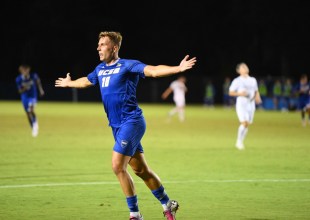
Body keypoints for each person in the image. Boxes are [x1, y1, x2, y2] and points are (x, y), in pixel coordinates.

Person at [55, 31, 196, 220]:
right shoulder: (100, 69)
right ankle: (167, 204)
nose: (98, 48)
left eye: (103, 44)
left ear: (114, 47)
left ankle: (135, 215)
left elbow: (153, 70)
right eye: (98, 45)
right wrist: (70, 83)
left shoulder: (128, 65)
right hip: (117, 126)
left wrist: (177, 69)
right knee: (141, 171)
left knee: (117, 166)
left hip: (132, 121)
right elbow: (87, 81)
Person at [229, 62, 262, 150]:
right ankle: (238, 142)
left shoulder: (253, 80)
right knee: (244, 123)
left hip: (251, 104)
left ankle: (240, 142)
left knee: (247, 124)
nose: (245, 68)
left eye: (245, 66)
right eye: (242, 67)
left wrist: (258, 98)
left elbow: (256, 90)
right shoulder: (237, 80)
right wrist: (240, 93)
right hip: (241, 104)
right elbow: (231, 92)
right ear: (238, 71)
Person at [15, 64, 45, 137]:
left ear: (28, 69)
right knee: (28, 113)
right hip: (24, 97)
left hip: (32, 96)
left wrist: (41, 90)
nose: (25, 71)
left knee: (31, 109)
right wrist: (24, 88)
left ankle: (35, 124)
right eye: (23, 70)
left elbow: (38, 81)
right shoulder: (18, 79)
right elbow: (19, 91)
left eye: (26, 69)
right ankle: (33, 127)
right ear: (21, 71)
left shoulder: (33, 76)